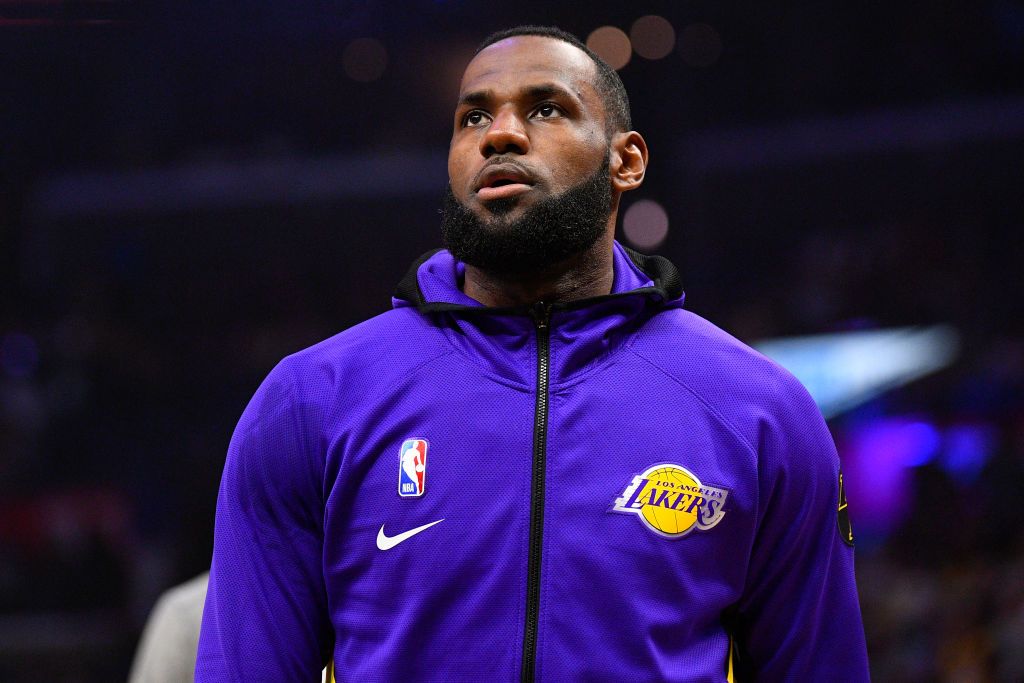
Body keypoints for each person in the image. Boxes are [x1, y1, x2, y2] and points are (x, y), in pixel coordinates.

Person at [195, 25, 870, 681]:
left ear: (625, 160)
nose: (500, 134)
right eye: (472, 118)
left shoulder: (760, 410)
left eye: (546, 108)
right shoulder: (310, 401)